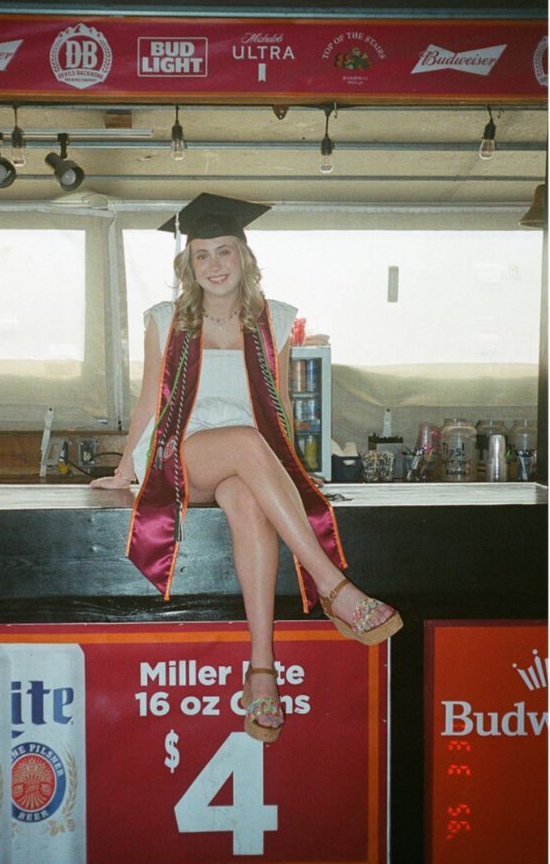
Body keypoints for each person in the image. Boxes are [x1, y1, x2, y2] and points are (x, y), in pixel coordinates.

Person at [91, 194, 403, 744]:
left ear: (245, 257)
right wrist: (123, 470)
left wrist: (294, 474)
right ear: (188, 265)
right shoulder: (164, 320)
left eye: (224, 252)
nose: (214, 265)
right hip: (178, 451)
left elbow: (277, 406)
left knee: (246, 499)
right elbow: (147, 401)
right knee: (242, 442)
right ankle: (333, 587)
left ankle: (262, 669)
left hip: (247, 459)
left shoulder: (275, 319)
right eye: (202, 255)